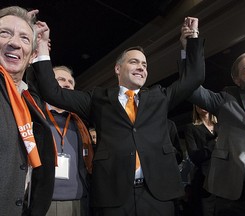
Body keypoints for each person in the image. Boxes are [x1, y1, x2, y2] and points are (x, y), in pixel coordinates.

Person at [28, 15, 205, 216]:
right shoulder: (98, 99)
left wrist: (191, 40)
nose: (141, 67)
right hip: (114, 197)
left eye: (144, 65)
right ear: (118, 69)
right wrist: (42, 47)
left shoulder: (159, 97)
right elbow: (53, 92)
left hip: (158, 195)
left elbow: (194, 77)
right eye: (134, 62)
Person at [180, 17, 245, 216]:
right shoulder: (226, 99)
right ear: (237, 80)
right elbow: (190, 88)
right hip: (230, 199)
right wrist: (190, 46)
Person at [0, 6, 55, 215]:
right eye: (4, 33)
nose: (14, 42)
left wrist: (37, 42)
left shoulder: (30, 100)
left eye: (23, 39)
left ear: (31, 56)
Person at [43, 66, 93, 216]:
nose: (67, 84)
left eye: (71, 82)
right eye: (61, 80)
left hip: (78, 203)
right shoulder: (35, 116)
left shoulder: (81, 123)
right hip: (43, 203)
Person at [183, 105, 217, 216]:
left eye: (205, 102)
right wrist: (214, 143)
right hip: (206, 180)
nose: (202, 105)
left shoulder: (221, 125)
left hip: (228, 177)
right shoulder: (191, 128)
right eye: (199, 103)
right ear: (195, 108)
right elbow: (194, 157)